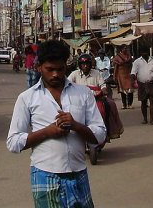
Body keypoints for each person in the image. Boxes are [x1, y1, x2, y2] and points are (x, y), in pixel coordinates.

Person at [7, 40, 106, 208]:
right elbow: (13, 142)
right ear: (39, 67)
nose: (55, 74)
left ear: (66, 67)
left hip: (78, 173)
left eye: (60, 69)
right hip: (44, 175)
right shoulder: (27, 98)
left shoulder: (83, 93)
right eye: (50, 69)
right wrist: (48, 132)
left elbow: (100, 134)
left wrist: (76, 126)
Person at [130, 47, 153, 125]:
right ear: (140, 53)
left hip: (152, 83)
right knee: (143, 102)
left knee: (152, 101)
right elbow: (133, 72)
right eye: (143, 52)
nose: (145, 54)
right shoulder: (137, 62)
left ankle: (152, 119)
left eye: (146, 52)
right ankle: (145, 119)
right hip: (142, 84)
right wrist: (132, 81)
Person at [112, 45, 134, 110]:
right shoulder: (117, 57)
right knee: (122, 91)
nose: (125, 49)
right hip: (121, 75)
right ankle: (124, 104)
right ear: (121, 49)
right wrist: (114, 76)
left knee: (130, 90)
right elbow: (116, 67)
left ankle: (130, 104)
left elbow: (131, 65)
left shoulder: (129, 56)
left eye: (126, 48)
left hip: (128, 74)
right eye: (124, 48)